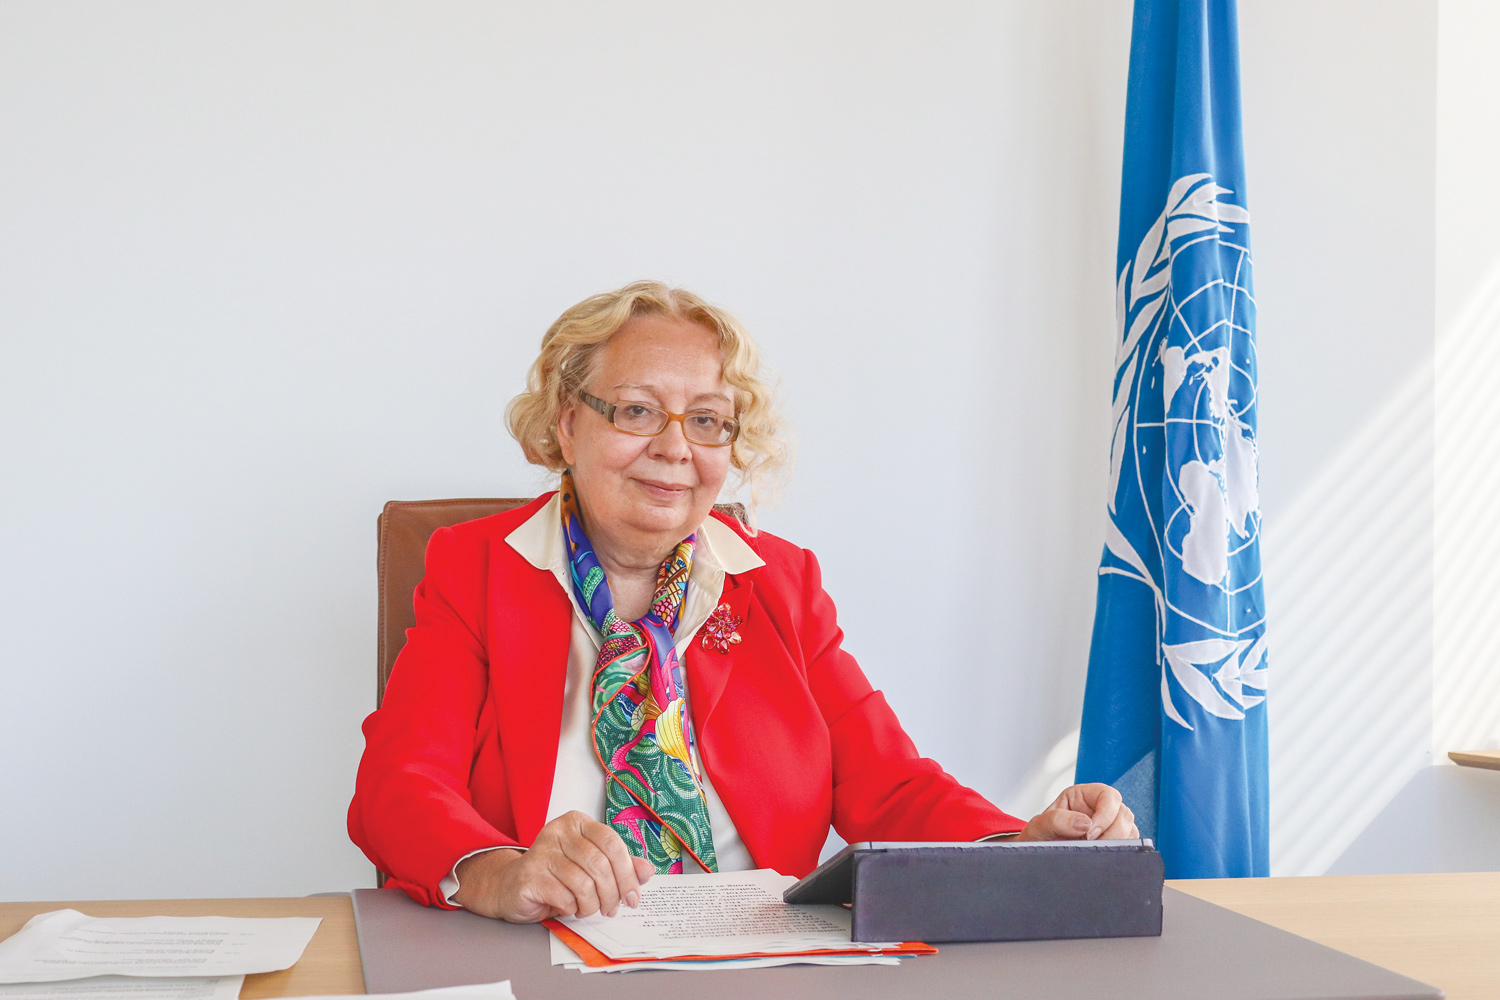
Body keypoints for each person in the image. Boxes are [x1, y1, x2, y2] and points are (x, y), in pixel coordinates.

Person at [348, 281, 1137, 923]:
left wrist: (1023, 843)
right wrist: (494, 871)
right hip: (542, 954)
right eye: (636, 410)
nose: (674, 447)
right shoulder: (476, 567)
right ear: (566, 421)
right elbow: (401, 783)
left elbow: (890, 787)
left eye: (708, 421)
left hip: (757, 960)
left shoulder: (779, 583)